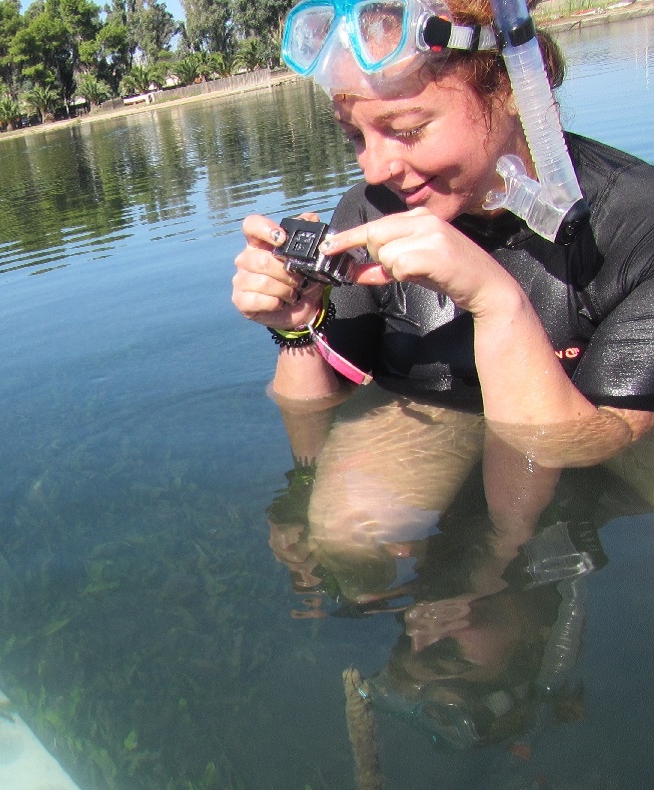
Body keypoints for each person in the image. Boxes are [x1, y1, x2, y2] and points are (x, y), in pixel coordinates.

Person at [232, 0, 654, 469]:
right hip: (424, 425)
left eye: (408, 130)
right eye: (355, 136)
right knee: (347, 532)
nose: (374, 168)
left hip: (560, 453)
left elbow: (584, 449)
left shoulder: (639, 223)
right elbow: (311, 414)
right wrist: (298, 325)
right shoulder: (369, 210)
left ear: (513, 87)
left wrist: (494, 301)